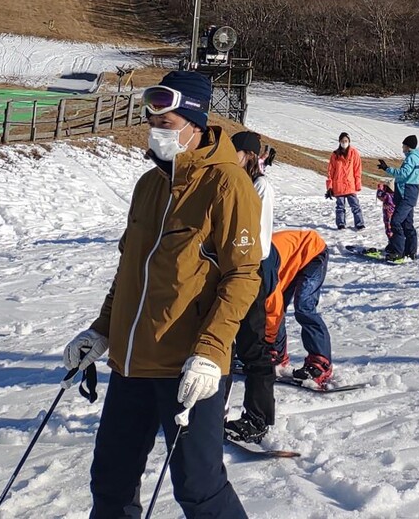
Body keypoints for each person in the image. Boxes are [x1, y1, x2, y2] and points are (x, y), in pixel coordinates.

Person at [63, 70, 260, 519]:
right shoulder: (148, 185)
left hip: (190, 367)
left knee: (198, 489)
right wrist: (102, 330)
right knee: (110, 482)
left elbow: (243, 276)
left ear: (195, 124)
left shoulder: (227, 184)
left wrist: (211, 351)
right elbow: (130, 269)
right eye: (153, 125)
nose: (156, 134)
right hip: (132, 364)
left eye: (166, 126)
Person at [226, 131, 281, 445]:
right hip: (230, 270)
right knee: (221, 345)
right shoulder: (235, 183)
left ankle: (258, 419)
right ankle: (209, 411)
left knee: (252, 346)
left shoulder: (260, 186)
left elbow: (258, 242)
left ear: (247, 154)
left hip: (250, 272)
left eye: (235, 152)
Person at [253, 230, 333, 400]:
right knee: (271, 307)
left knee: (305, 307)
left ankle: (321, 362)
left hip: (313, 252)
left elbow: (273, 311)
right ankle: (278, 355)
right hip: (289, 262)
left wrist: (267, 344)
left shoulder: (262, 275)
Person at [376, 135, 419, 261]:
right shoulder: (415, 157)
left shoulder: (411, 158)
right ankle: (410, 251)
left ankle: (398, 251)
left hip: (407, 194)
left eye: (404, 145)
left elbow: (403, 174)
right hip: (408, 194)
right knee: (407, 224)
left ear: (408, 147)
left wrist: (387, 169)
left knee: (395, 221)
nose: (402, 148)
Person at [326, 133, 365, 231]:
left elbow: (357, 169)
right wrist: (329, 186)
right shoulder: (335, 155)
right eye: (342, 141)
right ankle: (341, 224)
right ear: (339, 142)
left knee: (355, 205)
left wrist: (358, 184)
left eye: (346, 141)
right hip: (338, 184)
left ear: (349, 141)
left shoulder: (354, 153)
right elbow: (330, 171)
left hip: (350, 184)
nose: (344, 143)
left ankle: (359, 223)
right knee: (340, 206)